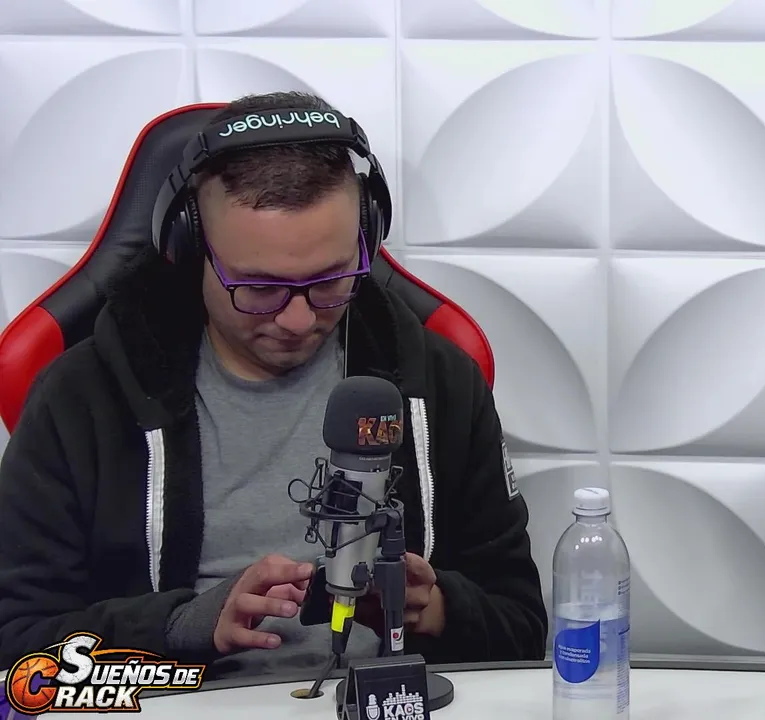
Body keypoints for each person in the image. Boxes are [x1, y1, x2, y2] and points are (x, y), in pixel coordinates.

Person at [0, 92, 548, 678]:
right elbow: (15, 644)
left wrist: (431, 610)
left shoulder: (440, 385)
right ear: (191, 249)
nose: (297, 319)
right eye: (259, 288)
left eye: (331, 280)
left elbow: (521, 627)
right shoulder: (81, 398)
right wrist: (180, 627)